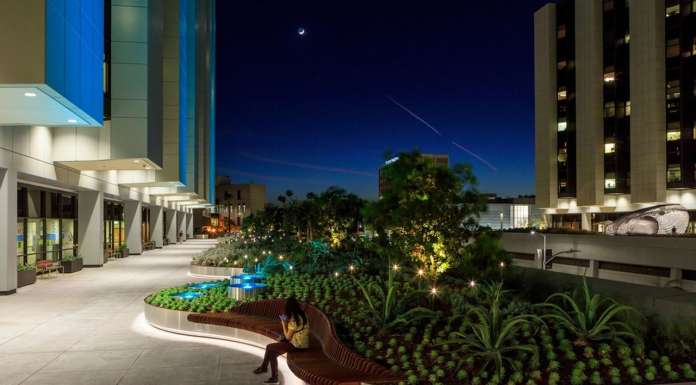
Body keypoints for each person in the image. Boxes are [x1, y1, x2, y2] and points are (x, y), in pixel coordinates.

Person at [253, 297, 310, 384]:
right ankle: (269, 373)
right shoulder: (302, 314)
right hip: (303, 342)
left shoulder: (294, 319)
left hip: (297, 344)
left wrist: (283, 323)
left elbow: (288, 337)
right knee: (273, 353)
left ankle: (269, 373)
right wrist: (288, 322)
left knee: (269, 347)